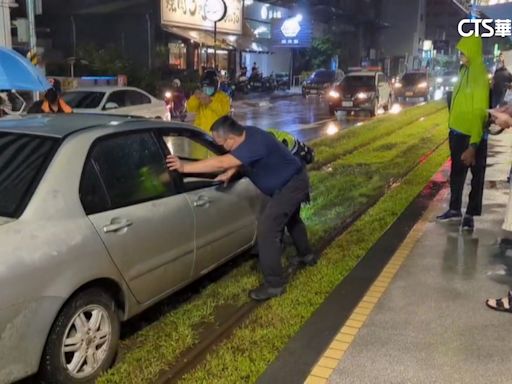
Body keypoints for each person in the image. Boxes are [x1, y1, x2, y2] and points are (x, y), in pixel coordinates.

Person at [166, 116, 316, 301]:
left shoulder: (254, 142)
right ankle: (307, 256)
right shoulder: (248, 134)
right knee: (292, 219)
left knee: (268, 230)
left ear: (231, 138)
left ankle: (274, 284)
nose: (221, 148)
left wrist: (184, 167)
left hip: (291, 185)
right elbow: (241, 161)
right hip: (290, 182)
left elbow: (222, 161)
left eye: (221, 144)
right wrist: (231, 171)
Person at [436, 36, 490, 231]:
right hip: (457, 133)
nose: (460, 55)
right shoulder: (463, 70)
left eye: (463, 52)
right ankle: (455, 209)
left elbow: (479, 111)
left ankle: (470, 215)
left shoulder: (478, 74)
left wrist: (474, 145)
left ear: (472, 51)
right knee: (457, 174)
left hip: (472, 135)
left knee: (476, 176)